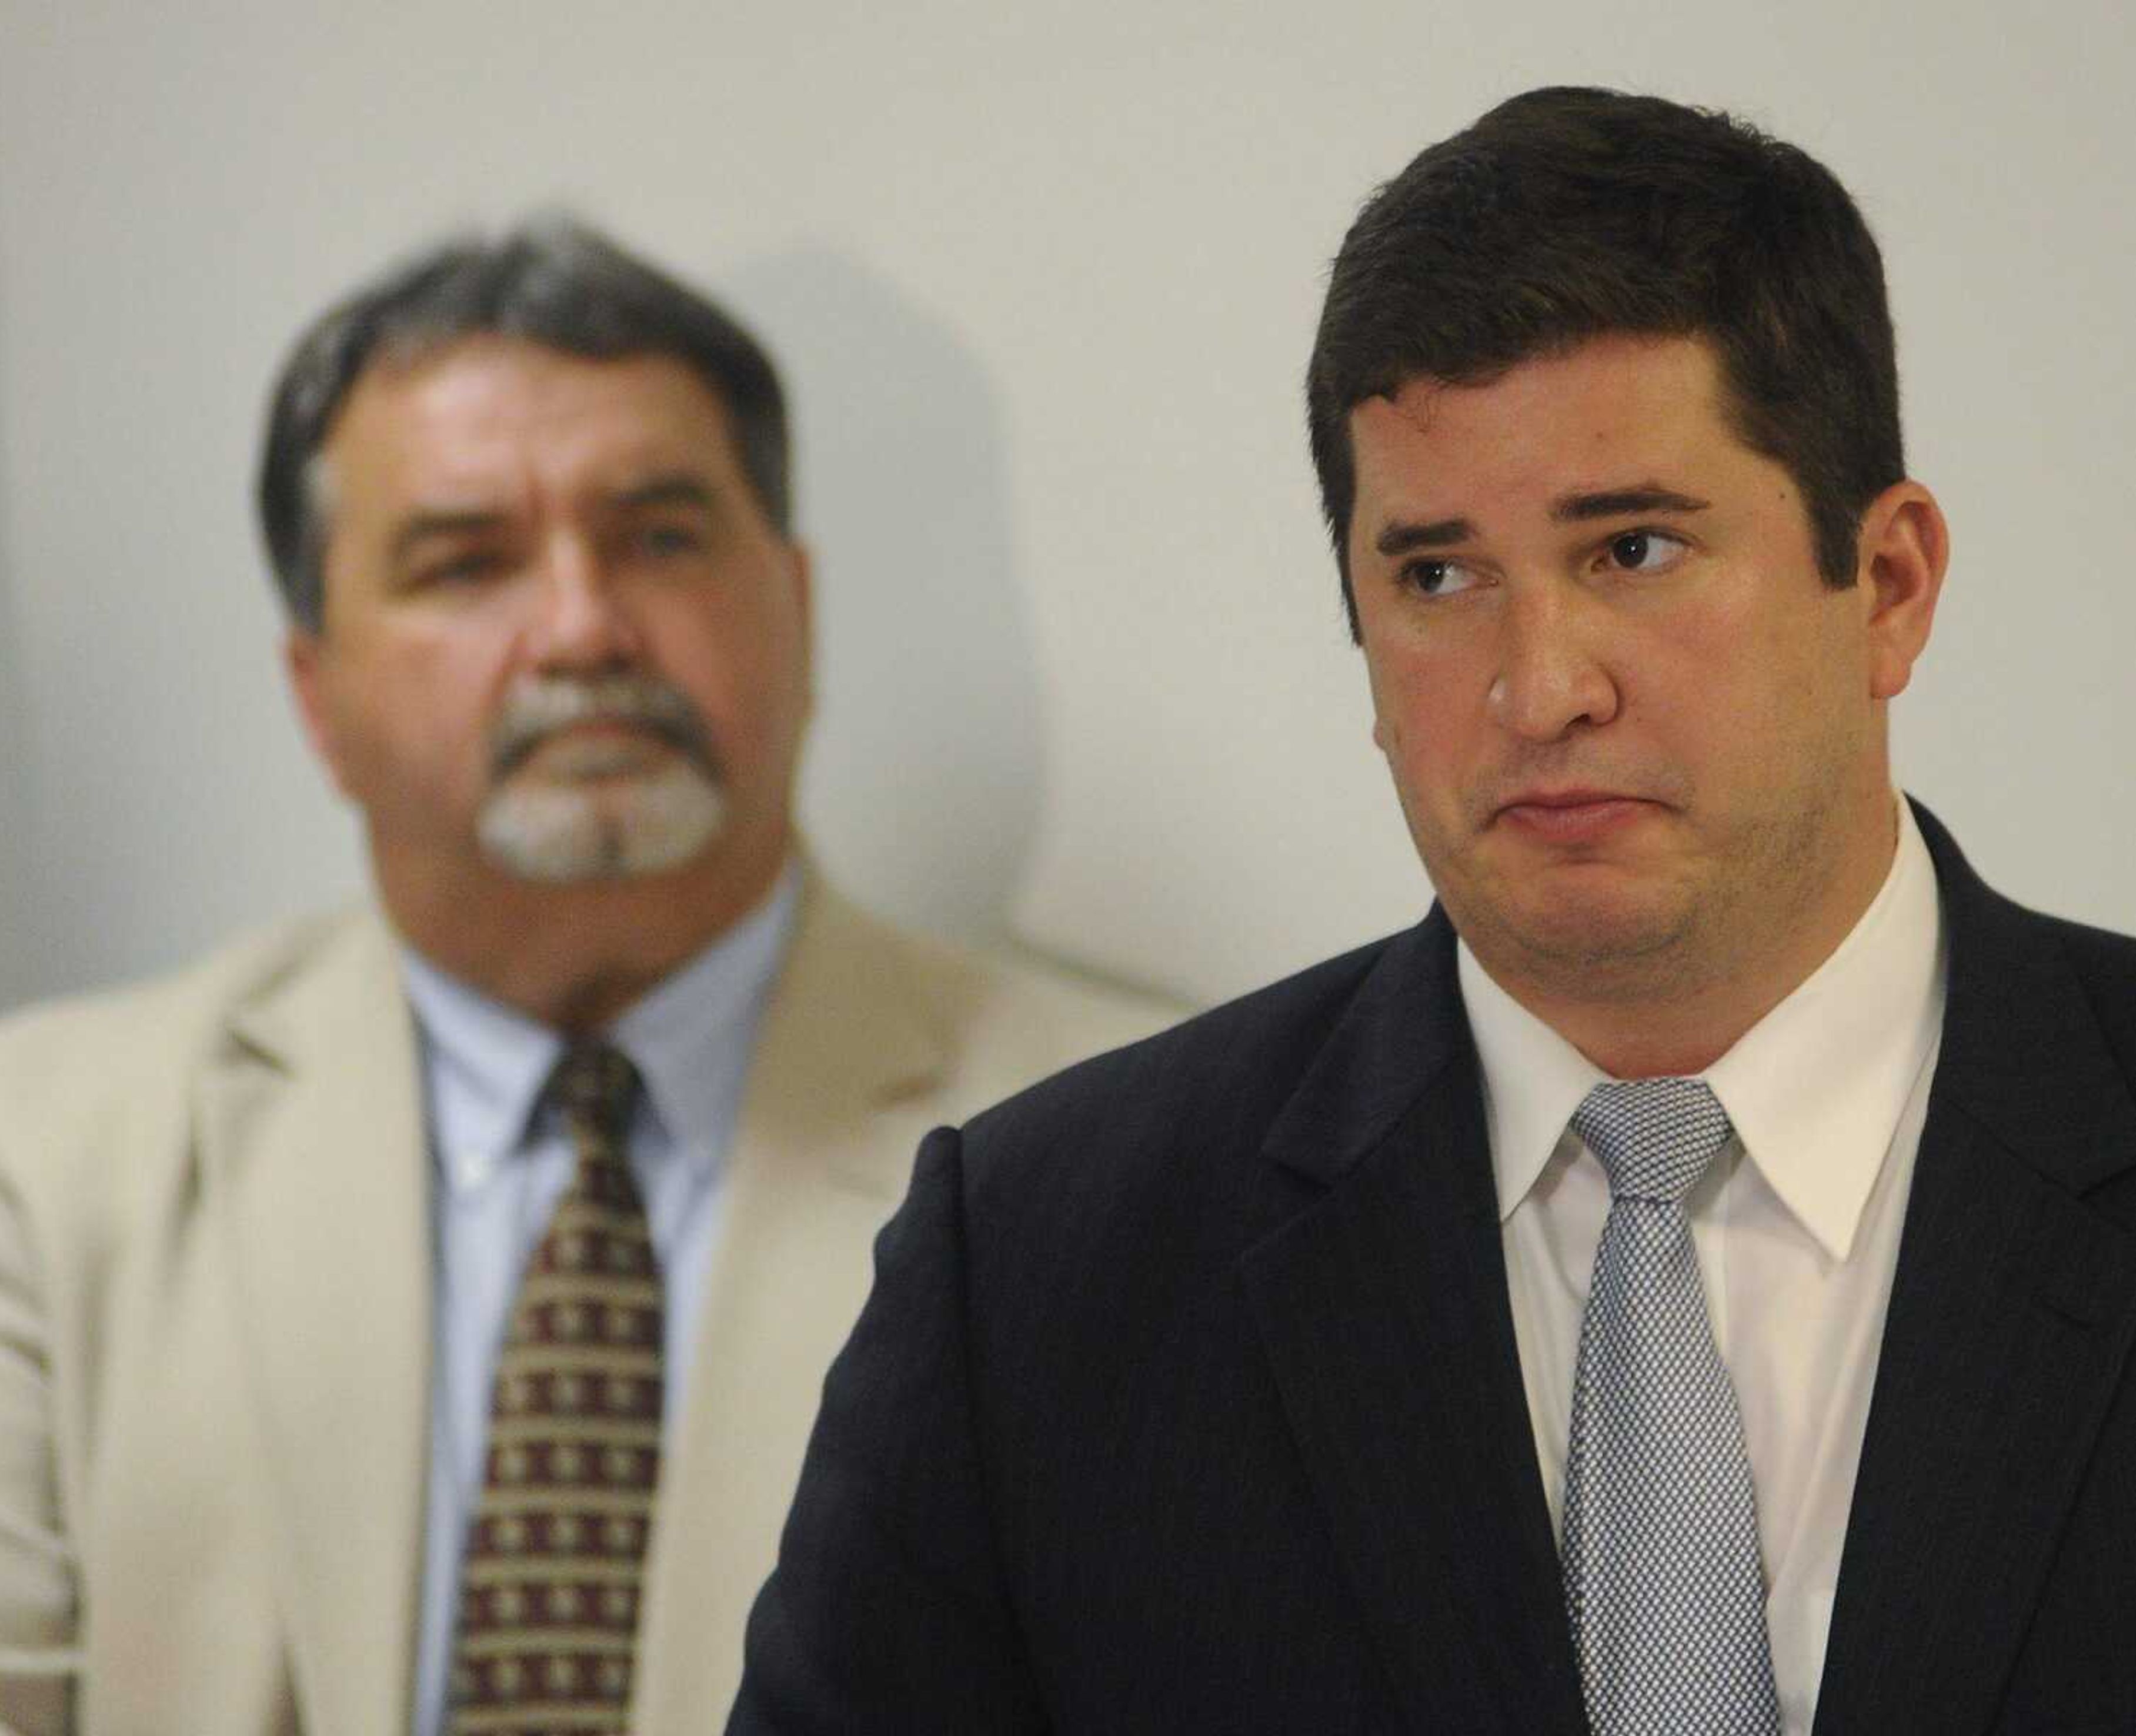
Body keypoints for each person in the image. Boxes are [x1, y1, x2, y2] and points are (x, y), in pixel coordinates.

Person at [729, 86, 2136, 1736]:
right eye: (1439, 579)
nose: (1540, 688)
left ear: (1887, 587)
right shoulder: (1040, 1277)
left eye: (1634, 548)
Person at [0, 217, 1175, 1736]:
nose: (581, 628)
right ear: (319, 696)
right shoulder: (24, 1162)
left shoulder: (1134, 1152)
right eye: (467, 561)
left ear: (800, 616)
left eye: (663, 536)